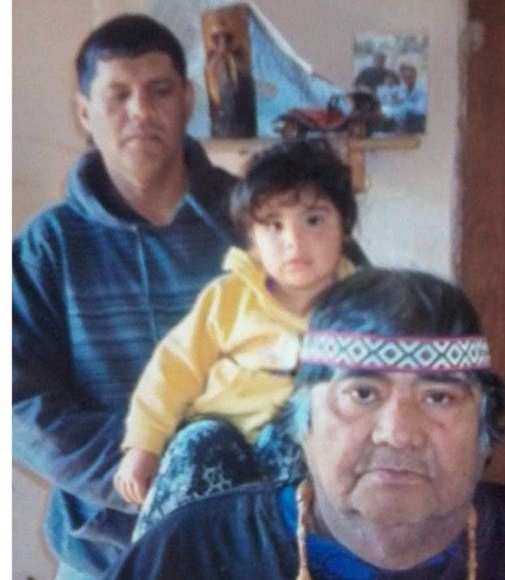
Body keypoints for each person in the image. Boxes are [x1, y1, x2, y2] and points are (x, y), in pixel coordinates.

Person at [106, 269, 505, 579]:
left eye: (439, 397)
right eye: (362, 393)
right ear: (302, 423)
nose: (398, 432)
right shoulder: (189, 555)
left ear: (484, 432)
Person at [12, 14, 240, 579]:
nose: (141, 111)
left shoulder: (262, 217)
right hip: (101, 556)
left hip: (246, 544)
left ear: (187, 100)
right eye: (118, 95)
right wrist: (162, 471)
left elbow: (346, 338)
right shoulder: (48, 247)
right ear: (84, 112)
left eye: (159, 90)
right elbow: (17, 402)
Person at [113, 138, 359, 540]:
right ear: (251, 241)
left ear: (344, 228)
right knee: (195, 443)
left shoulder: (365, 309)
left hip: (298, 459)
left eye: (313, 220)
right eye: (274, 226)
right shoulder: (228, 298)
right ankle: (158, 561)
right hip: (220, 444)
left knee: (299, 438)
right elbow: (173, 369)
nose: (294, 241)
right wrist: (143, 445)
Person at [203, 9, 257, 138]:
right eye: (217, 38)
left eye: (226, 37)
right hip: (221, 123)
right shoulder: (212, 66)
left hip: (240, 122)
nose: (222, 42)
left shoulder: (239, 66)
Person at [385, 61, 427, 134]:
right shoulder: (400, 88)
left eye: (409, 77)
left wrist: (403, 104)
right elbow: (392, 106)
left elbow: (421, 110)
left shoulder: (422, 89)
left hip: (418, 121)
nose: (406, 79)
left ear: (414, 76)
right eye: (404, 77)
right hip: (402, 122)